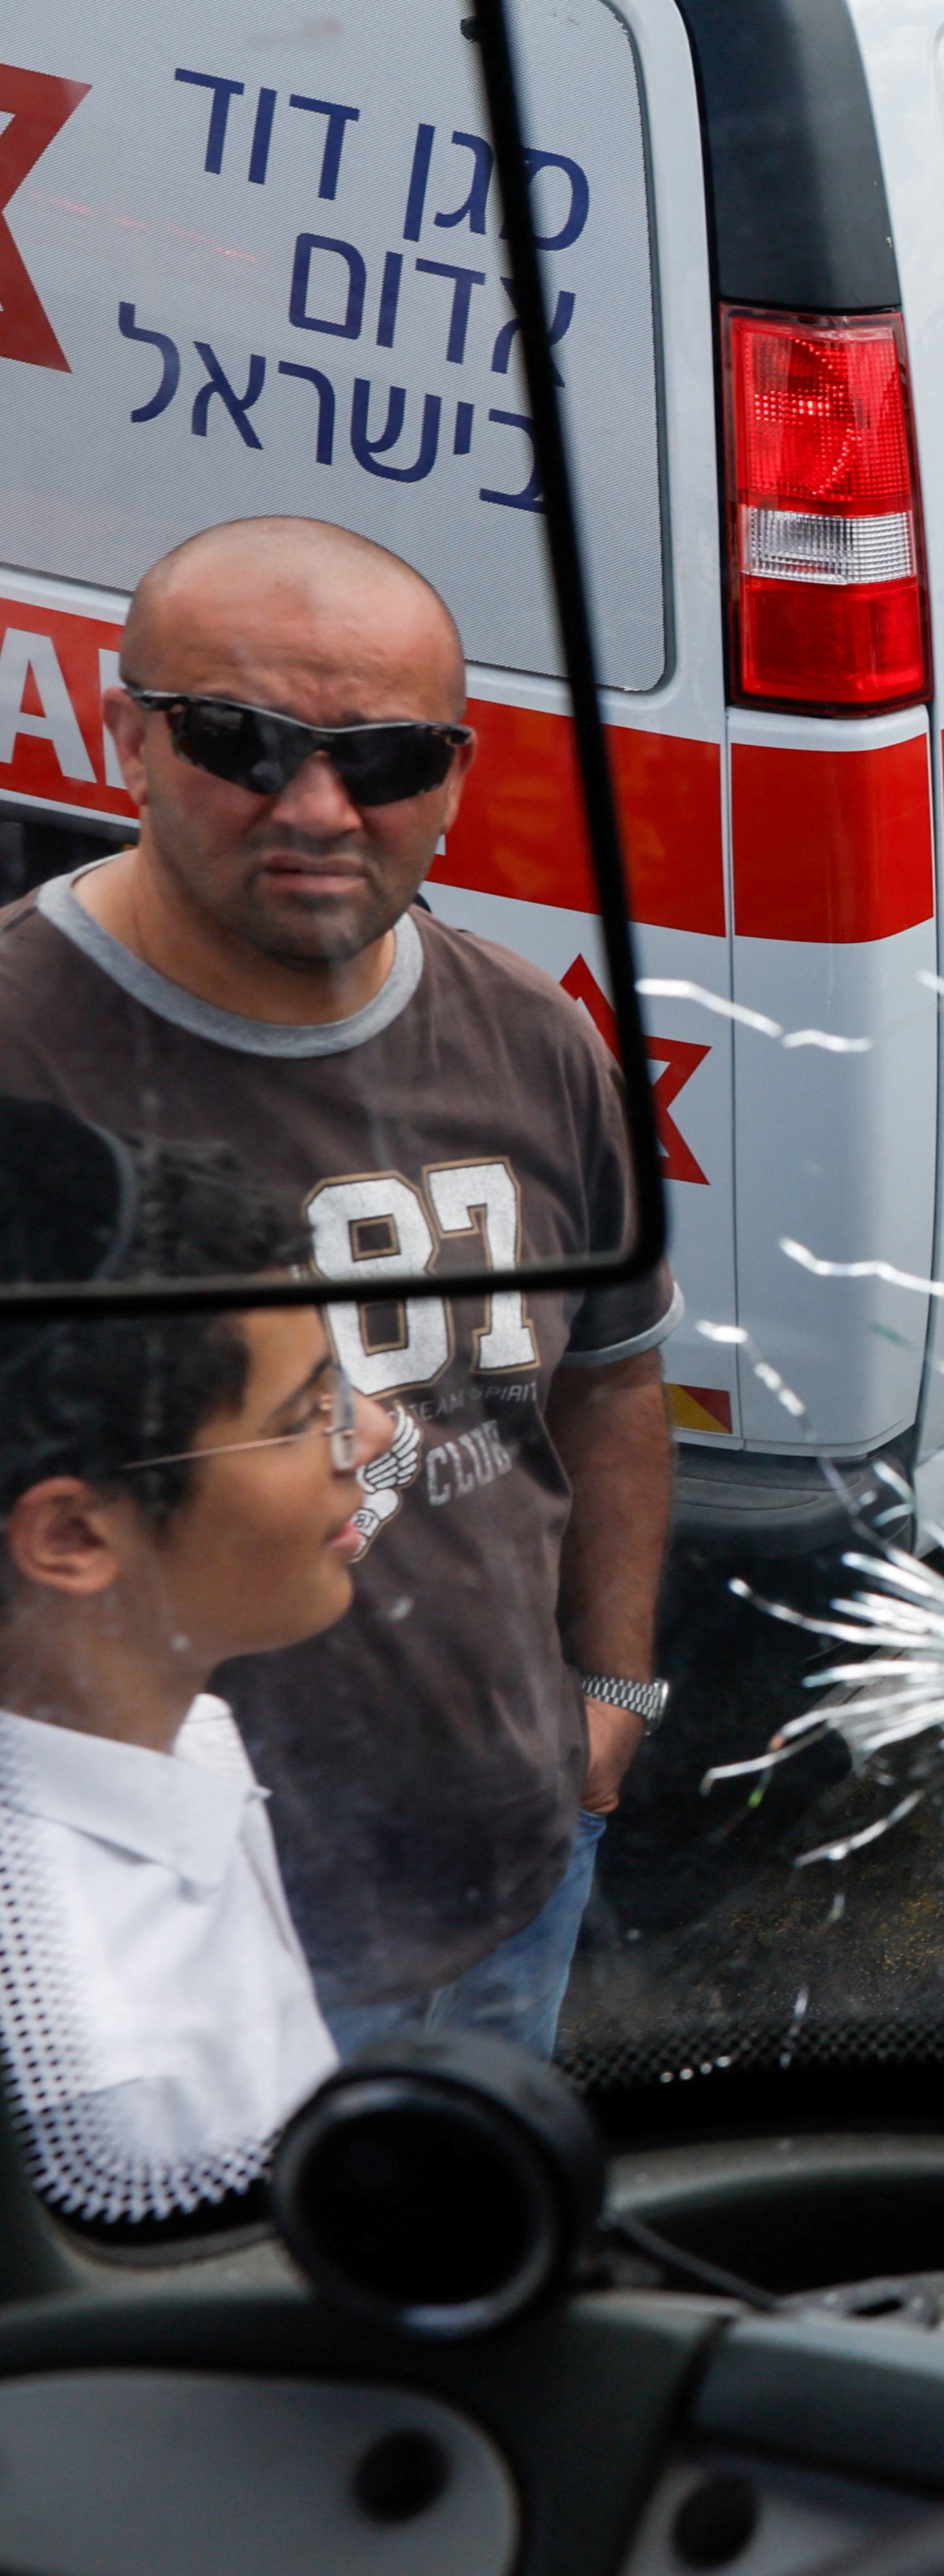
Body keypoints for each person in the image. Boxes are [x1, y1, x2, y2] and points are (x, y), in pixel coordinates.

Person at [0, 517, 679, 2058]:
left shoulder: (531, 1038)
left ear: (454, 775)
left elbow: (614, 1378)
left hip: (513, 1878)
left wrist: (613, 1686)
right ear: (125, 733)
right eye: (238, 738)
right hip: (152, 1964)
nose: (315, 806)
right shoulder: (16, 1062)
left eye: (381, 758)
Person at [0, 1107, 394, 2189]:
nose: (373, 1432)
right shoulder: (113, 2082)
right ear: (74, 1535)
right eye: (303, 1409)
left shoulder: (177, 1726)